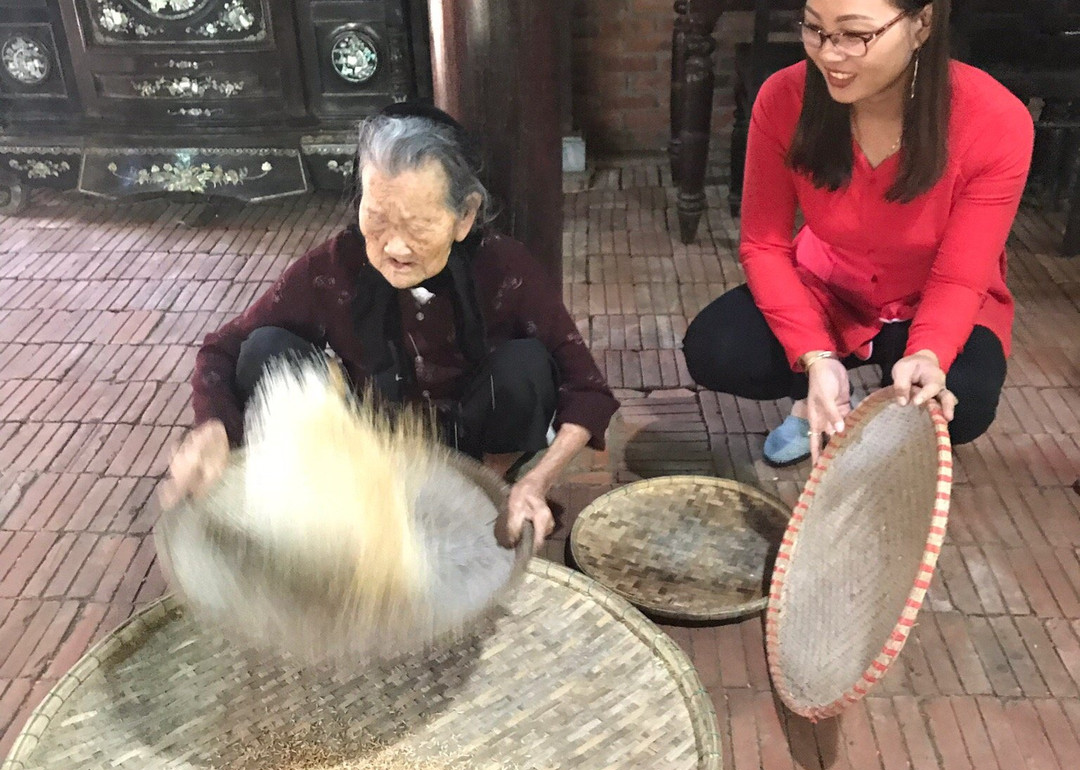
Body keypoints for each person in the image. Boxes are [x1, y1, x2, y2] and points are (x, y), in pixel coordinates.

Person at [160, 102, 619, 546]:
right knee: (265, 349)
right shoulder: (336, 265)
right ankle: (328, 500)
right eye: (376, 220)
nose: (395, 247)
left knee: (526, 366)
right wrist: (213, 428)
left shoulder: (504, 268)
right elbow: (223, 348)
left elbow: (587, 388)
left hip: (471, 443)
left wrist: (536, 481)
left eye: (419, 225)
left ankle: (488, 490)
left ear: (465, 216)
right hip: (372, 450)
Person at [682, 0, 1033, 465]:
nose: (828, 55)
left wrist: (930, 353)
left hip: (930, 293)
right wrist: (815, 356)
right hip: (832, 285)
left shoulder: (994, 119)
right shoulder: (784, 97)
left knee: (962, 403)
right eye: (814, 29)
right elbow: (763, 244)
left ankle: (883, 412)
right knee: (718, 348)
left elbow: (959, 276)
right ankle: (816, 402)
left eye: (854, 35)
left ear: (922, 22)